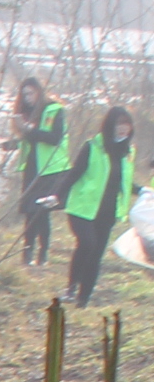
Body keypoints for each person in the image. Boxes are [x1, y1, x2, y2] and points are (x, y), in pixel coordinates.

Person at [62, 107, 138, 307]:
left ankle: (83, 299)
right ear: (110, 125)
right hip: (83, 209)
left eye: (126, 124)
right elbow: (74, 172)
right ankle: (71, 288)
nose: (123, 128)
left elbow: (124, 181)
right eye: (119, 123)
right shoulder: (93, 147)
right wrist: (56, 194)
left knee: (96, 255)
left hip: (107, 213)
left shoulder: (128, 152)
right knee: (87, 243)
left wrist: (143, 190)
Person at [18, 79, 74, 268]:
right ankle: (27, 255)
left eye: (31, 93)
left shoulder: (54, 109)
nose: (28, 98)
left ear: (40, 92)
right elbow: (30, 142)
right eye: (24, 95)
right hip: (32, 167)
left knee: (41, 211)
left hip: (50, 169)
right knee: (29, 212)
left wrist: (30, 130)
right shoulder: (27, 114)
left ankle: (42, 255)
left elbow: (53, 138)